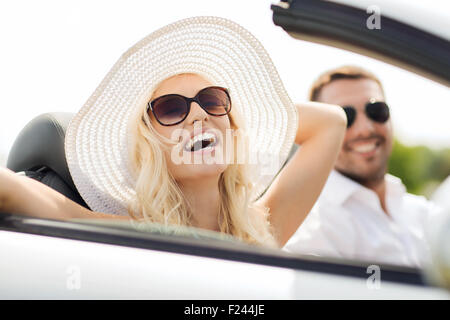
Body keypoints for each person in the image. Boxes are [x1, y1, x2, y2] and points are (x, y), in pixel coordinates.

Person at [0, 16, 346, 248]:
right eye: (171, 108)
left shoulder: (260, 228)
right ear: (149, 144)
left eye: (211, 101)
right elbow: (11, 191)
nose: (197, 114)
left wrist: (242, 122)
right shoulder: (129, 232)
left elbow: (332, 123)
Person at [284, 65, 443, 266]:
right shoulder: (316, 228)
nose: (365, 129)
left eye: (376, 111)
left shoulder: (422, 212)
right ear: (322, 133)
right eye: (345, 117)